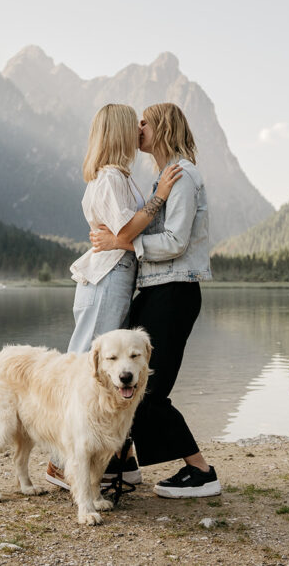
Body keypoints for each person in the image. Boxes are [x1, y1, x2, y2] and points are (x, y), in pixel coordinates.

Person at [44, 103, 182, 491]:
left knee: (94, 373)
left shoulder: (119, 177)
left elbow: (123, 233)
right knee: (83, 373)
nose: (140, 130)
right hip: (106, 280)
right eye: (133, 125)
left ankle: (100, 461)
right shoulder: (109, 178)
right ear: (119, 133)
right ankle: (61, 464)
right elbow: (127, 229)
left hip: (113, 278)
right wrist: (161, 195)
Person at [90, 102, 220, 498]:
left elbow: (177, 241)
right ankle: (124, 465)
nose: (138, 127)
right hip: (159, 289)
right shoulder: (164, 176)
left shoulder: (181, 176)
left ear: (162, 128)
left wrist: (123, 241)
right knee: (132, 382)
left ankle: (201, 471)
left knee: (149, 388)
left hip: (176, 291)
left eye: (145, 122)